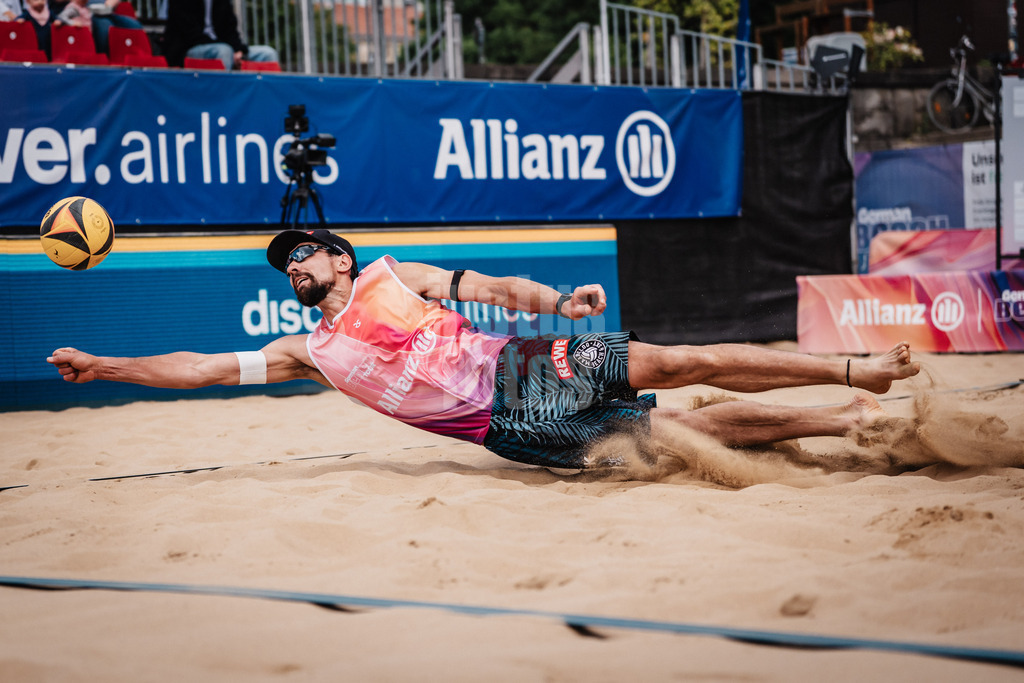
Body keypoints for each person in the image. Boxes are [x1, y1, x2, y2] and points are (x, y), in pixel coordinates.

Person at [47, 229, 921, 470]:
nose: (294, 269)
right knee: (682, 438)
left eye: (303, 253)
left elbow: (495, 291)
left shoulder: (393, 272)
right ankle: (844, 420)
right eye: (286, 265)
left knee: (673, 359)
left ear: (339, 256)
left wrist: (560, 300)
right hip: (504, 428)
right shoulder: (307, 349)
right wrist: (106, 365)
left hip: (520, 364)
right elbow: (200, 369)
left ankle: (859, 369)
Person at [162, 0, 278, 70]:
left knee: (267, 54)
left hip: (223, 48)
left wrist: (238, 51)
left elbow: (230, 29)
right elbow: (190, 34)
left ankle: (267, 103)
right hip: (187, 49)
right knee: (224, 51)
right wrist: (230, 50)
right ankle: (224, 102)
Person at [54, 0, 143, 54]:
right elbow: (60, 17)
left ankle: (135, 58)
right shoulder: (72, 8)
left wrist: (108, 6)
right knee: (106, 28)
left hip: (108, 11)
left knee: (135, 26)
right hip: (90, 12)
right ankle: (105, 59)